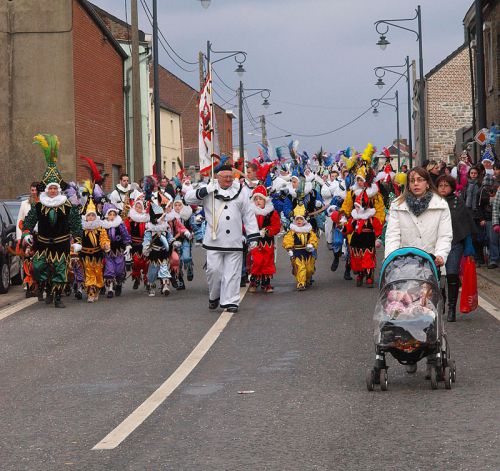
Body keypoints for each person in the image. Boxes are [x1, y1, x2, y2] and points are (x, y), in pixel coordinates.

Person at [184, 164, 260, 313]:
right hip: (214, 241)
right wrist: (206, 190)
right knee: (214, 271)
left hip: (234, 241)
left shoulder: (241, 191)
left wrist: (253, 236)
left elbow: (248, 215)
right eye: (225, 177)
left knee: (232, 273)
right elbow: (188, 198)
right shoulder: (209, 189)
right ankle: (214, 296)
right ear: (217, 177)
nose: (228, 180)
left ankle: (231, 301)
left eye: (230, 177)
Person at [22, 134, 83, 308]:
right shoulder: (39, 206)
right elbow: (28, 222)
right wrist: (26, 234)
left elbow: (76, 224)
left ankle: (57, 296)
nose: (54, 191)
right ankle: (46, 286)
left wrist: (78, 241)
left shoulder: (67, 206)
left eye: (56, 188)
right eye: (51, 188)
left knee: (60, 270)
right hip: (42, 244)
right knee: (38, 268)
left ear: (59, 189)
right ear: (46, 190)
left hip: (61, 244)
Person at [385, 167, 452, 267]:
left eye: (420, 180)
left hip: (432, 264)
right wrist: (391, 257)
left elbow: (444, 235)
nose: (416, 183)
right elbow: (393, 235)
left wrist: (440, 255)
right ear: (408, 185)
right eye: (412, 181)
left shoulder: (440, 204)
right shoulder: (397, 205)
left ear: (428, 183)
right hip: (403, 265)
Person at [436, 175, 477, 321]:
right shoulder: (433, 202)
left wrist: (469, 247)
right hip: (435, 244)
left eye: (446, 185)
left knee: (452, 274)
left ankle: (452, 308)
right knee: (437, 275)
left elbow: (465, 226)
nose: (443, 188)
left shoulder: (458, 203)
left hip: (454, 244)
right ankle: (441, 302)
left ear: (452, 187)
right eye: (440, 185)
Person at [248, 185, 281, 293]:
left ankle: (266, 282)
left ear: (265, 200)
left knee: (267, 260)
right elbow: (245, 225)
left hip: (267, 241)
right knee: (257, 260)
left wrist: (267, 230)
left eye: (260, 199)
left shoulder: (271, 212)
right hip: (255, 241)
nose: (258, 201)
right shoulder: (250, 212)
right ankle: (254, 280)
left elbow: (276, 227)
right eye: (256, 199)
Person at [80, 199, 109, 303]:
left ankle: (96, 289)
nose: (91, 218)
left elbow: (104, 239)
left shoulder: (100, 228)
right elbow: (77, 241)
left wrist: (105, 244)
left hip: (97, 255)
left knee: (98, 273)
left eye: (93, 216)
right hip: (85, 255)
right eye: (89, 216)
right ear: (85, 217)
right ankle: (90, 293)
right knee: (88, 273)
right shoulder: (81, 229)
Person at [282, 211, 319, 291]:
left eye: (301, 219)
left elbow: (314, 239)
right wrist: (289, 249)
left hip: (308, 252)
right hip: (297, 252)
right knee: (301, 267)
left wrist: (311, 244)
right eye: (297, 219)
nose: (299, 221)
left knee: (309, 269)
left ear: (304, 221)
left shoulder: (309, 231)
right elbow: (287, 240)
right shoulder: (292, 232)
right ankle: (301, 283)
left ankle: (307, 279)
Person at [101, 203, 132, 298]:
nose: (112, 217)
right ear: (106, 215)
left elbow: (125, 235)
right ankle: (110, 289)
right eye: (110, 215)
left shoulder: (120, 224)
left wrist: (128, 245)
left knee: (119, 269)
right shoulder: (103, 226)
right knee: (109, 270)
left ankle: (118, 284)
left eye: (114, 214)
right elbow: (101, 238)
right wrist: (103, 245)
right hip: (108, 251)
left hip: (119, 250)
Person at [463, 166, 486, 265]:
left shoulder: (480, 185)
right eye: (471, 173)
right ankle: (475, 258)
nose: (473, 175)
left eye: (475, 173)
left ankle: (480, 258)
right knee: (471, 238)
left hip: (477, 214)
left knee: (479, 238)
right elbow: (464, 198)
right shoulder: (467, 185)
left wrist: (482, 217)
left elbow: (482, 202)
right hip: (469, 214)